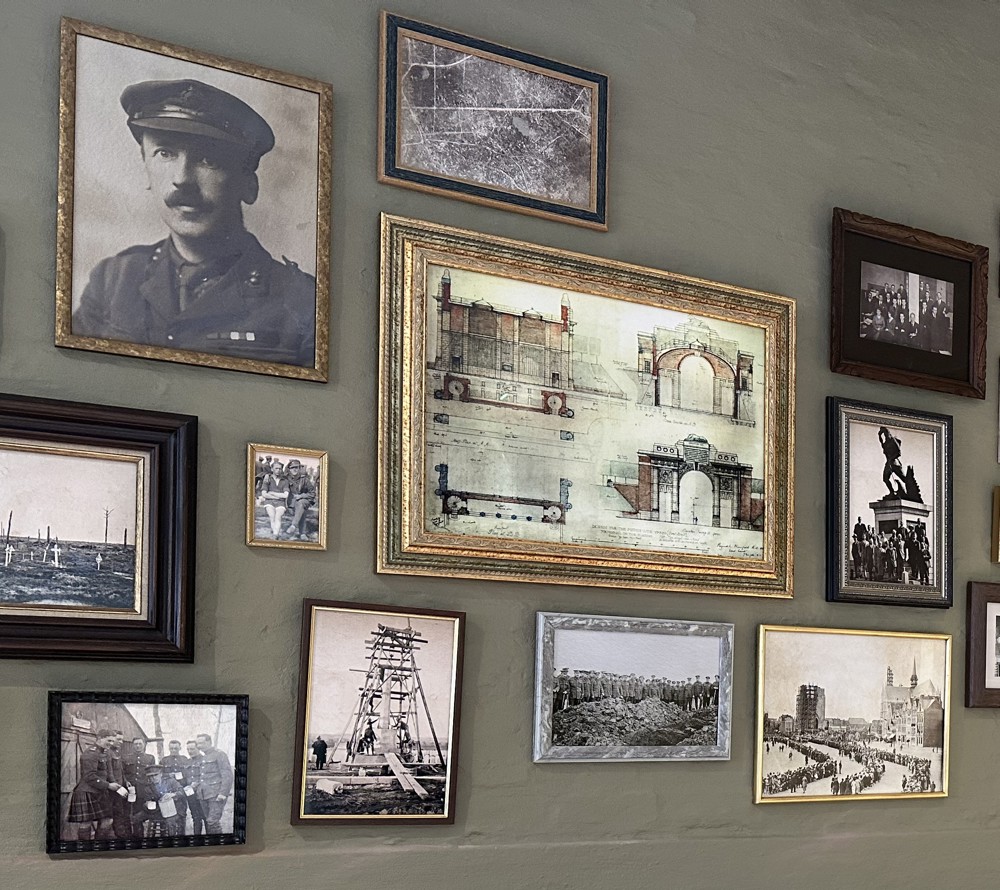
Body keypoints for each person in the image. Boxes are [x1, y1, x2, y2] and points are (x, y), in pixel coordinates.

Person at [72, 79, 316, 368]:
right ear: (145, 168)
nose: (182, 179)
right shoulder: (112, 280)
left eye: (208, 159)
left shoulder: (302, 302)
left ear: (248, 184)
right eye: (165, 153)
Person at [66, 728, 126, 842]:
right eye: (108, 741)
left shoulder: (106, 752)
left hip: (100, 792)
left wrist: (118, 788)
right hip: (87, 791)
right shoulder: (90, 754)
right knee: (86, 822)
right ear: (99, 738)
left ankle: (98, 844)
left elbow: (109, 774)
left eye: (112, 741)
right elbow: (89, 777)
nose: (111, 744)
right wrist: (108, 786)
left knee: (108, 820)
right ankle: (85, 848)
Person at [194, 733, 233, 834]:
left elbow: (227, 775)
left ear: (209, 742)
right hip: (203, 795)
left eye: (201, 743)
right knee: (209, 822)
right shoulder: (203, 757)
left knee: (212, 822)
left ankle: (221, 846)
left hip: (216, 795)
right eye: (198, 743)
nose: (199, 746)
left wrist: (223, 793)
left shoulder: (219, 754)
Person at [159, 739, 190, 833]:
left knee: (181, 814)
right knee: (167, 814)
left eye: (175, 748)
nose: (173, 750)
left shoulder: (185, 759)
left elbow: (189, 774)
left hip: (181, 791)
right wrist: (169, 775)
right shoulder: (164, 760)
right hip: (168, 791)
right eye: (171, 748)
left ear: (180, 748)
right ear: (169, 748)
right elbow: (159, 775)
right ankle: (166, 835)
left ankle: (181, 836)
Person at [284, 459, 317, 540]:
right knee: (302, 510)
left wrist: (302, 496)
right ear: (289, 469)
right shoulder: (286, 479)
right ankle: (302, 533)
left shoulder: (304, 479)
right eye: (292, 468)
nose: (294, 469)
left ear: (299, 468)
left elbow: (312, 493)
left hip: (304, 500)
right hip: (291, 502)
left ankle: (293, 525)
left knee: (301, 504)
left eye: (297, 467)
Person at [183, 739, 206, 835]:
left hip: (203, 793)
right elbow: (185, 777)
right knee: (195, 817)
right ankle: (197, 838)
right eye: (188, 749)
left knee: (206, 817)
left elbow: (207, 776)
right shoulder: (187, 762)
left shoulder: (204, 759)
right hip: (191, 793)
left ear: (198, 748)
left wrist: (198, 783)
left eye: (192, 749)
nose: (190, 751)